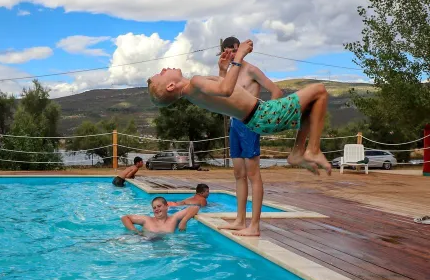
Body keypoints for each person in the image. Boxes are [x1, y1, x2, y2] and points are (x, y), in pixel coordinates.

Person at [146, 39, 331, 175]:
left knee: (309, 108)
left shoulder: (192, 92)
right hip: (262, 114)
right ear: (170, 86)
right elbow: (226, 90)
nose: (163, 70)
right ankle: (311, 150)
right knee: (320, 91)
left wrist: (223, 69)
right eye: (160, 74)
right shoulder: (194, 83)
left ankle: (298, 152)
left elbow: (222, 94)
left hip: (255, 119)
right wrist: (239, 56)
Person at [218, 36, 283, 237]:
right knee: (238, 173)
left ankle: (254, 226)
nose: (232, 53)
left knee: (253, 173)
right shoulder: (229, 72)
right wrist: (221, 69)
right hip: (235, 123)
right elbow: (222, 94)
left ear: (241, 50)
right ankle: (240, 220)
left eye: (235, 50)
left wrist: (267, 118)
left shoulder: (251, 70)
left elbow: (276, 91)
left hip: (250, 121)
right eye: (227, 50)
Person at [121, 196, 200, 234]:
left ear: (166, 206)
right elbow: (125, 218)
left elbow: (195, 207)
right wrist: (135, 232)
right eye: (154, 207)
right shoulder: (147, 220)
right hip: (145, 243)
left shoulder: (173, 219)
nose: (156, 209)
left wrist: (184, 221)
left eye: (159, 206)